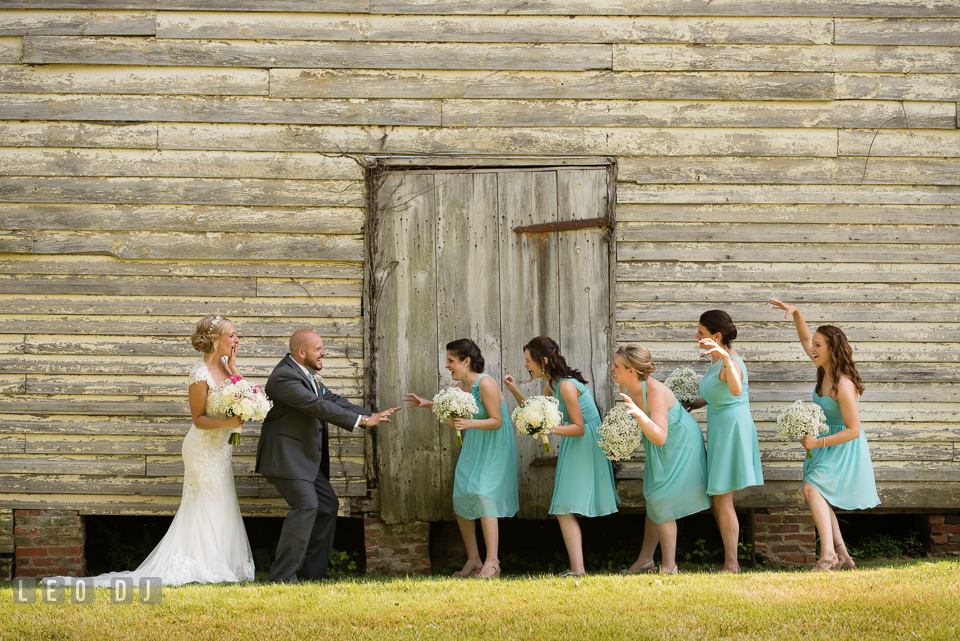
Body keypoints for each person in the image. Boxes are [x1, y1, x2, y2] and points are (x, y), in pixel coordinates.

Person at [44, 314, 256, 587]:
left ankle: (224, 561)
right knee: (207, 502)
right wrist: (227, 422)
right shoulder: (199, 373)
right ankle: (203, 564)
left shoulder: (227, 366)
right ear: (215, 341)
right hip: (202, 449)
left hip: (221, 449)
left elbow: (241, 393)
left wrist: (235, 367)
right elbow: (198, 419)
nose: (236, 340)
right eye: (232, 335)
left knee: (223, 500)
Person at [256, 329, 400, 583]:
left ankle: (313, 575)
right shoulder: (283, 377)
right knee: (307, 505)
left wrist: (369, 415)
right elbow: (317, 406)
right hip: (286, 458)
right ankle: (281, 577)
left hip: (304, 460)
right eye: (319, 348)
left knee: (327, 506)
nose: (324, 353)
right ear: (302, 352)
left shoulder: (304, 373)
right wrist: (361, 422)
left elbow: (330, 398)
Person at [770, 300, 880, 571]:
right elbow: (806, 338)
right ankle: (843, 556)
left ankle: (828, 555)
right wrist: (796, 313)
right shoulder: (823, 369)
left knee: (811, 489)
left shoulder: (843, 384)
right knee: (818, 494)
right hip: (822, 441)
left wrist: (818, 441)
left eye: (819, 346)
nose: (812, 349)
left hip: (841, 443)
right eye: (814, 345)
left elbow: (854, 430)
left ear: (832, 349)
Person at [504, 336, 619, 577]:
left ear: (543, 360)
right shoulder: (552, 384)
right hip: (574, 442)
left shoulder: (566, 385)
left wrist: (550, 429)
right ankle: (577, 569)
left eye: (528, 361)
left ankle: (578, 569)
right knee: (563, 507)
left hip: (585, 442)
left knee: (564, 507)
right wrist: (514, 390)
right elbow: (535, 412)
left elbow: (579, 427)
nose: (526, 365)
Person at [404, 339, 519, 579]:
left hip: (495, 442)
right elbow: (453, 421)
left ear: (466, 361)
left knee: (484, 494)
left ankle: (493, 562)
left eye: (451, 361)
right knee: (462, 493)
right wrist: (429, 406)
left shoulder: (485, 383)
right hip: (475, 441)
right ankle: (474, 559)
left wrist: (469, 423)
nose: (447, 365)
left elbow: (497, 422)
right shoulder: (458, 387)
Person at [614, 344, 711, 575]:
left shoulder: (655, 393)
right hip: (660, 443)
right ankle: (646, 559)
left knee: (662, 500)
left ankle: (669, 567)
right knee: (655, 498)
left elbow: (659, 436)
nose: (612, 369)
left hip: (679, 443)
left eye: (616, 365)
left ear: (631, 371)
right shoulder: (627, 387)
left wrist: (638, 414)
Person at [686, 310, 763, 573]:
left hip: (732, 429)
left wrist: (727, 359)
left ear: (716, 336)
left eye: (701, 332)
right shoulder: (715, 360)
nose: (696, 336)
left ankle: (732, 565)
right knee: (718, 497)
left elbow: (735, 390)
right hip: (720, 425)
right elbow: (715, 393)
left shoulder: (732, 363)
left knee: (722, 497)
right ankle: (729, 561)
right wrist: (692, 404)